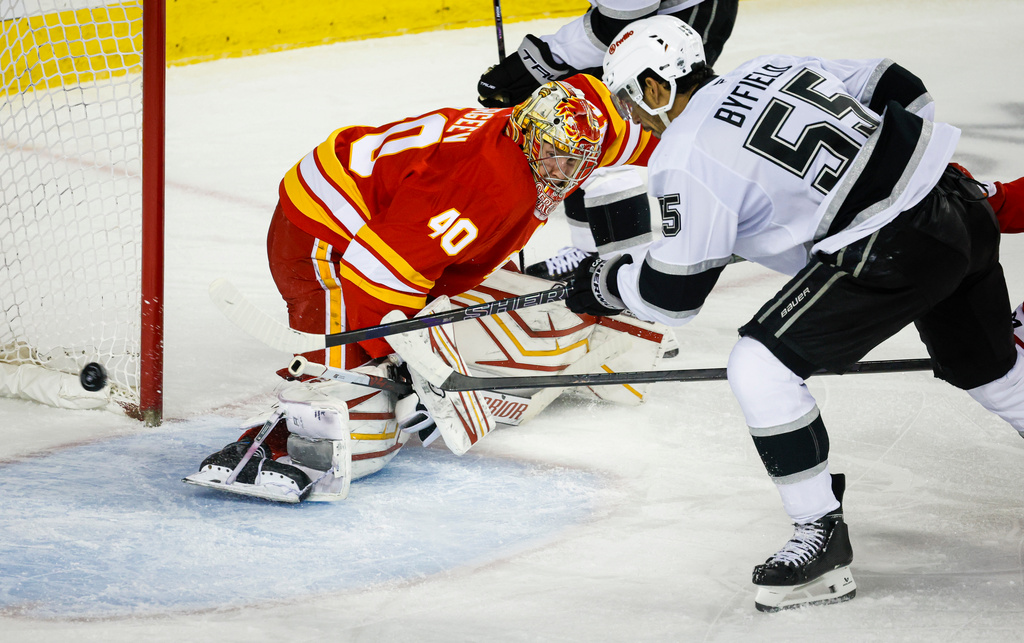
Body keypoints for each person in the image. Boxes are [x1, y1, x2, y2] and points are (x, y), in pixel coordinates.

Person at [565, 15, 1024, 611]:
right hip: (955, 205)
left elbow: (671, 299)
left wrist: (606, 285)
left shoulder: (684, 154)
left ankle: (819, 539)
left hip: (892, 249)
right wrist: (894, 173)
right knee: (994, 375)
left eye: (632, 98)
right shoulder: (769, 68)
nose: (633, 117)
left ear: (657, 86)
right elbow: (900, 83)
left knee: (759, 367)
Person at [185, 74, 672, 503]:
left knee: (435, 357)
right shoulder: (488, 188)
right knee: (371, 427)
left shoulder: (559, 122)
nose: (566, 176)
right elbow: (376, 276)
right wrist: (408, 367)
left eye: (577, 164)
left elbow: (616, 134)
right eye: (558, 160)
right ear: (528, 136)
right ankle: (272, 441)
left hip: (392, 233)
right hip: (324, 240)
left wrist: (689, 161)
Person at [477, 1, 739, 280]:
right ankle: (590, 252)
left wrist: (536, 62)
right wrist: (540, 64)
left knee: (621, 124)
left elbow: (618, 23)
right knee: (579, 125)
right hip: (634, 19)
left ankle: (629, 273)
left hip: (675, 24)